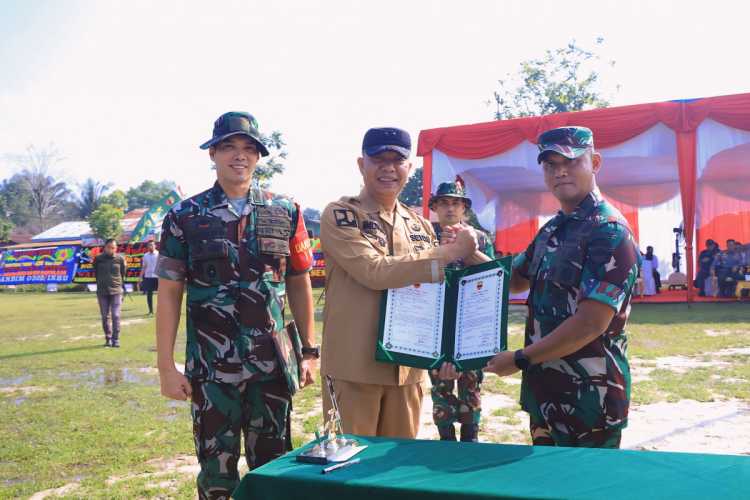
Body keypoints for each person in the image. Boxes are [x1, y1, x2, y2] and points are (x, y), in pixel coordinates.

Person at [155, 111, 317, 499]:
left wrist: (309, 352)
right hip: (212, 372)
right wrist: (165, 366)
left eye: (248, 148)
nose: (238, 156)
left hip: (272, 367)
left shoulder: (286, 210)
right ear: (212, 153)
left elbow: (299, 280)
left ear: (259, 156)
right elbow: (169, 293)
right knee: (216, 477)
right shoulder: (184, 217)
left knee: (275, 470)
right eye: (228, 146)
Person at [483, 126, 641, 449]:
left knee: (583, 491)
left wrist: (520, 359)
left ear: (595, 162)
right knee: (546, 487)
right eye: (551, 165)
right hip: (545, 396)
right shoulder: (552, 230)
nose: (560, 171)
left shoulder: (609, 231)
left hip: (589, 402)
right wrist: (468, 256)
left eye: (571, 161)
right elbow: (513, 278)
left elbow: (589, 324)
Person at [319, 127, 479, 439]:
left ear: (410, 168)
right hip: (355, 368)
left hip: (408, 371)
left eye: (397, 160)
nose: (388, 168)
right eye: (378, 159)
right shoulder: (341, 214)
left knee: (394, 471)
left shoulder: (419, 224)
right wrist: (448, 253)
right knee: (348, 470)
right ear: (361, 164)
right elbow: (373, 271)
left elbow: (435, 296)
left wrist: (450, 353)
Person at [427, 178, 495, 442]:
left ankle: (471, 436)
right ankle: (446, 439)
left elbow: (493, 276)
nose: (450, 209)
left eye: (456, 203)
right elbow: (418, 276)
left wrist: (467, 251)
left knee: (471, 382)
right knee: (440, 383)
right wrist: (442, 251)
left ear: (464, 208)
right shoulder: (425, 236)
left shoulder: (479, 238)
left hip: (471, 322)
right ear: (435, 207)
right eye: (443, 203)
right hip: (437, 323)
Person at [93, 238, 127, 347]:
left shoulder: (120, 259)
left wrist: (121, 287)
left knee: (116, 315)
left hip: (116, 291)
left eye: (113, 247)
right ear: (105, 247)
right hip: (102, 291)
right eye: (109, 247)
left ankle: (116, 340)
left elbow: (123, 273)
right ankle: (108, 339)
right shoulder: (98, 259)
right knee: (105, 316)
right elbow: (96, 273)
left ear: (116, 248)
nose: (111, 249)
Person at [140, 240, 159, 315]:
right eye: (149, 245)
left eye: (152, 245)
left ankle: (161, 310)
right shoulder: (145, 255)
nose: (150, 246)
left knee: (161, 295)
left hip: (157, 276)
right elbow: (144, 267)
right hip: (148, 276)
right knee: (149, 294)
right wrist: (140, 277)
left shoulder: (159, 254)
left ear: (155, 246)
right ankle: (150, 311)